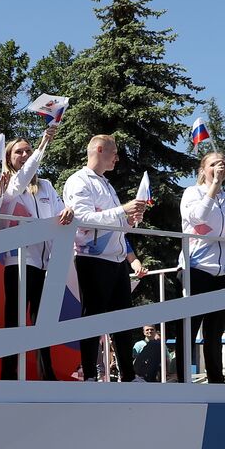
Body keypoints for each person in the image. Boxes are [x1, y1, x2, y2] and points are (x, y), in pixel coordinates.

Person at [58, 135, 149, 384]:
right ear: (99, 149)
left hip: (117, 260)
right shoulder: (78, 181)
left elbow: (112, 221)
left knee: (122, 319)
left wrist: (128, 219)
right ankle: (89, 374)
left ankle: (128, 376)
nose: (117, 158)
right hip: (92, 258)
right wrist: (123, 210)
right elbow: (84, 218)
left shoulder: (107, 185)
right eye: (114, 152)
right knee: (93, 316)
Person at [0, 127, 61, 381]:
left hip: (46, 264)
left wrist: (68, 214)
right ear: (9, 158)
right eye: (18, 151)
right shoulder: (8, 185)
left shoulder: (46, 186)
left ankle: (48, 375)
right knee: (15, 322)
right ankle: (9, 376)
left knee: (43, 323)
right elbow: (19, 183)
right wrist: (42, 144)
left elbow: (59, 213)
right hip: (19, 262)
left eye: (28, 150)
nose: (24, 154)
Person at [178, 151, 225, 384]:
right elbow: (197, 218)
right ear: (203, 170)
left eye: (224, 164)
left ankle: (216, 381)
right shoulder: (192, 193)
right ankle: (182, 379)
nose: (220, 167)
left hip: (223, 271)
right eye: (214, 164)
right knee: (189, 328)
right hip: (196, 269)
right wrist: (213, 187)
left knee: (215, 332)